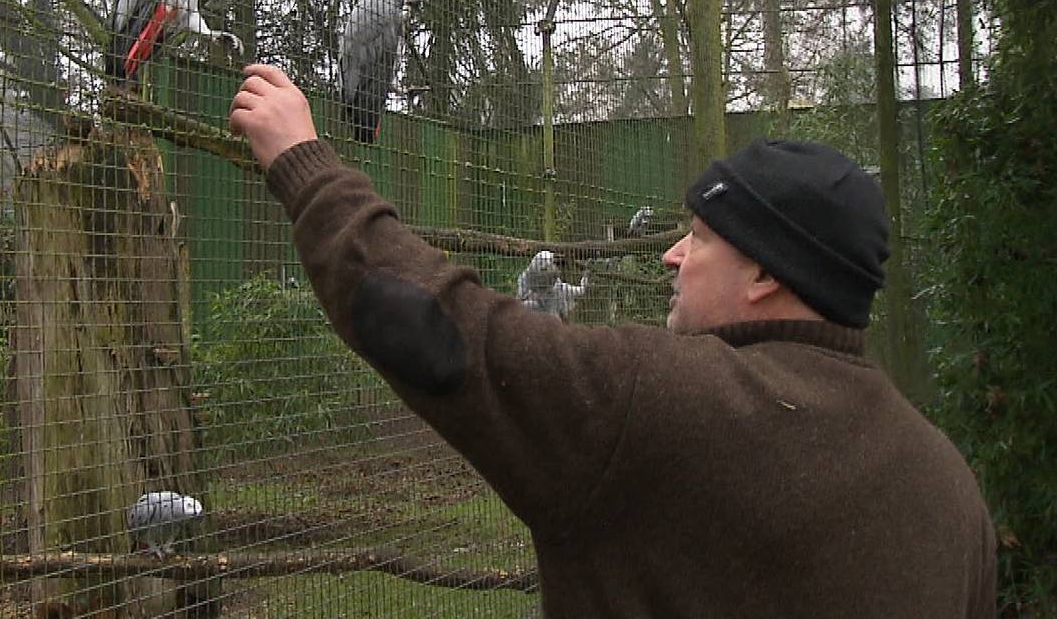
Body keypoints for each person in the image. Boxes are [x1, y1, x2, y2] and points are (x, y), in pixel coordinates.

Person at [229, 64, 997, 618]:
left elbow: (435, 328)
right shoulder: (949, 486)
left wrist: (305, 164)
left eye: (698, 238)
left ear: (766, 273)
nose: (672, 254)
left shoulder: (670, 404)